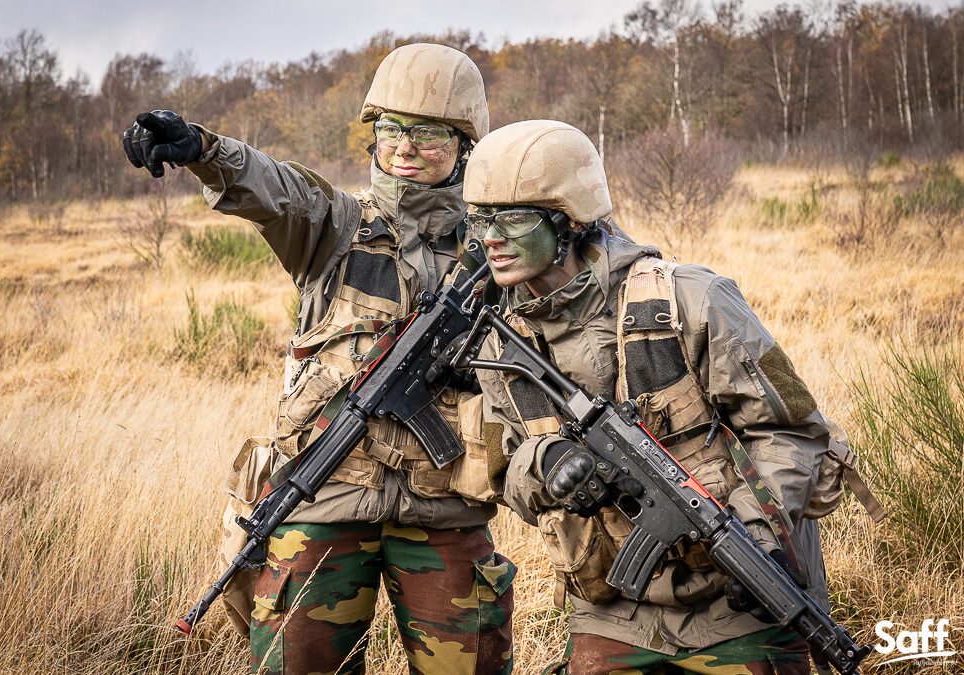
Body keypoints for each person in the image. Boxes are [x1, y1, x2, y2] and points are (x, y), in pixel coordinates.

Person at [122, 43, 514, 675]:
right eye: (390, 132)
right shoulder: (333, 225)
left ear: (464, 145)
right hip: (323, 501)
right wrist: (203, 149)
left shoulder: (496, 247)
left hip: (446, 509)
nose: (405, 149)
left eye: (428, 135)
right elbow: (272, 188)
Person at [462, 119, 832, 675]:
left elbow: (790, 432)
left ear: (567, 223)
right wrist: (546, 462)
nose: (490, 237)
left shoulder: (691, 298)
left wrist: (756, 535)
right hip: (609, 610)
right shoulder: (498, 341)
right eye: (481, 219)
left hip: (739, 600)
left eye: (511, 219)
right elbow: (501, 471)